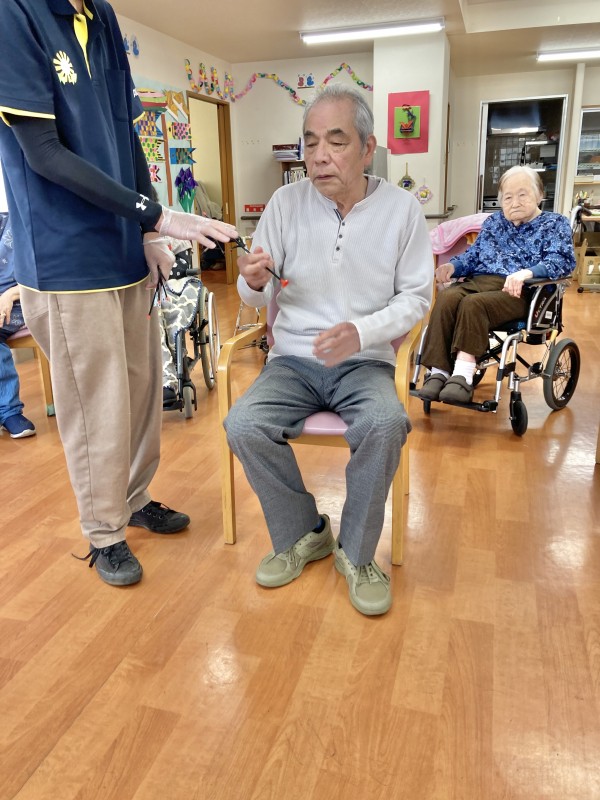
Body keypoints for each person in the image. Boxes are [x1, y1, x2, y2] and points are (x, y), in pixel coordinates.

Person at [0, 0, 238, 586]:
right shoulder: (16, 13)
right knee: (96, 406)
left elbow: (129, 139)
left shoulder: (101, 16)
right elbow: (43, 153)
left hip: (125, 251)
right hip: (65, 262)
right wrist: (159, 215)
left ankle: (133, 499)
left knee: (140, 391)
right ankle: (104, 531)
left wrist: (148, 230)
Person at [224, 84, 432, 616]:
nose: (319, 155)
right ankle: (305, 532)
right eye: (310, 141)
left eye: (336, 142)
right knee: (243, 424)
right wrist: (251, 279)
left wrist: (361, 333)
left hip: (364, 362)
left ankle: (357, 554)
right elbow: (256, 292)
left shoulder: (402, 210)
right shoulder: (285, 204)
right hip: (292, 361)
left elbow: (416, 297)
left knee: (385, 424)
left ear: (367, 148)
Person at [419, 165, 575, 405]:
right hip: (481, 281)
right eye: (508, 197)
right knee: (448, 297)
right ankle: (438, 372)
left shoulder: (555, 224)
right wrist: (453, 267)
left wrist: (527, 273)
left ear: (540, 195)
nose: (515, 203)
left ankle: (463, 375)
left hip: (522, 292)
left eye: (522, 194)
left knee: (473, 304)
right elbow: (474, 256)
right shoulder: (494, 222)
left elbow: (562, 261)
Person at [0, 213, 36, 438]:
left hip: (21, 300)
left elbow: (47, 276)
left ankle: (9, 412)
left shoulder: (21, 222)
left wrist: (10, 294)